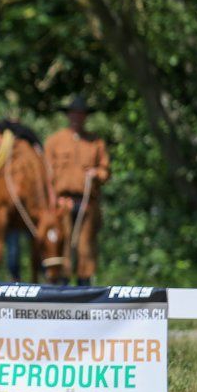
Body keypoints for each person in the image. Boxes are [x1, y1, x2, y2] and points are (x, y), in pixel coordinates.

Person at [44, 95, 110, 285]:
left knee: (85, 248)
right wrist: (53, 200)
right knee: (61, 247)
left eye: (81, 114)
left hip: (86, 203)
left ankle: (84, 289)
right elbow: (46, 175)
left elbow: (106, 172)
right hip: (62, 203)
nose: (77, 118)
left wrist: (97, 173)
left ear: (85, 117)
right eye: (74, 114)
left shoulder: (96, 142)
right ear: (68, 115)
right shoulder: (54, 141)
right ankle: (61, 289)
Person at [0, 113, 44, 281]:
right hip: (12, 213)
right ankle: (15, 279)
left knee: (31, 243)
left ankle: (40, 277)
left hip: (29, 212)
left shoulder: (29, 144)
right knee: (13, 248)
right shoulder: (5, 142)